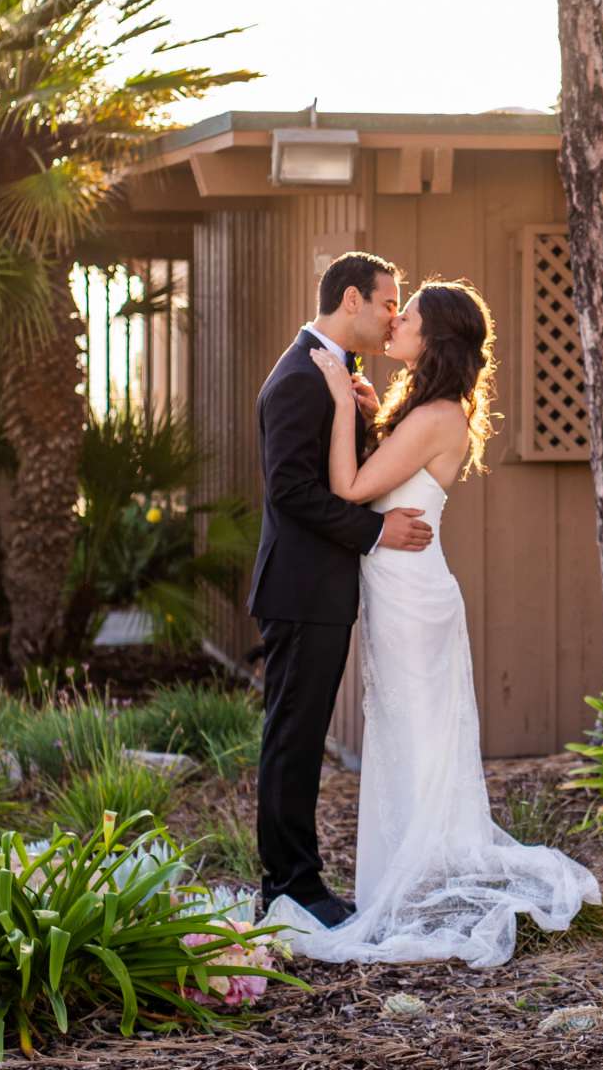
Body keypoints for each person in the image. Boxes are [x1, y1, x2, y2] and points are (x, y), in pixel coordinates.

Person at [265, 275, 601, 967]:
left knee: (417, 734)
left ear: (434, 336)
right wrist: (359, 411)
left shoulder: (435, 414)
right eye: (394, 305)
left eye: (407, 314)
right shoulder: (421, 409)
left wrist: (337, 403)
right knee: (404, 733)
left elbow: (352, 489)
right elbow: (375, 474)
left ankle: (418, 884)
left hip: (412, 594)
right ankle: (407, 880)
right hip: (397, 589)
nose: (396, 321)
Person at [250, 250, 434, 930]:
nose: (393, 316)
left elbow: (337, 472)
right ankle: (290, 887)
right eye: (390, 302)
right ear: (351, 299)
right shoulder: (301, 376)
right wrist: (376, 531)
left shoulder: (335, 374)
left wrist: (362, 415)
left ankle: (293, 882)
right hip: (299, 589)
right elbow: (292, 492)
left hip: (317, 590)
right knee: (292, 740)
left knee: (298, 736)